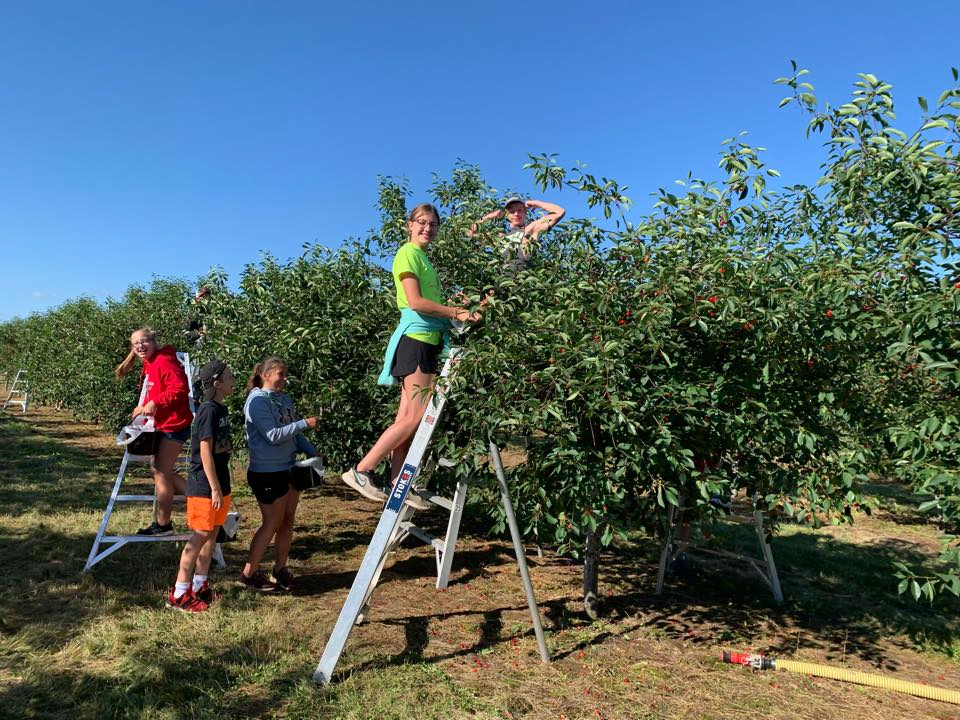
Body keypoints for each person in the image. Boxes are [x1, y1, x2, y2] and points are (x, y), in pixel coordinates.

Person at [341, 203, 480, 507]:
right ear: (409, 224)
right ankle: (361, 470)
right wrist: (458, 312)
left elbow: (429, 303)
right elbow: (416, 302)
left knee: (406, 417)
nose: (427, 228)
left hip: (427, 340)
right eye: (422, 222)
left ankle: (396, 482)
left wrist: (452, 305)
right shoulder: (408, 254)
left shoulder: (423, 259)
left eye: (432, 224)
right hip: (416, 341)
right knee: (415, 417)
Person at [239, 356, 321, 592]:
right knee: (272, 522)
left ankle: (280, 569)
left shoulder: (283, 398)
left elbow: (292, 432)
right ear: (266, 375)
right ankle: (249, 573)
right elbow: (273, 435)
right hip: (267, 471)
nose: (285, 378)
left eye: (285, 373)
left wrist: (309, 448)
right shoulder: (256, 402)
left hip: (289, 468)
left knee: (287, 520)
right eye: (280, 374)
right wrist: (305, 423)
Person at [165, 359, 235, 612]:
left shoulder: (221, 409)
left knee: (212, 534)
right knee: (200, 535)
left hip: (219, 482)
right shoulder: (208, 410)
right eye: (229, 376)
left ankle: (200, 585)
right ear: (217, 384)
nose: (233, 379)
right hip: (205, 484)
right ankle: (179, 593)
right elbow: (204, 450)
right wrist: (214, 487)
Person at [115, 328, 193, 535]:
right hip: (165, 423)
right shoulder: (152, 363)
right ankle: (199, 497)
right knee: (157, 469)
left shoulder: (164, 361)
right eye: (135, 343)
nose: (140, 346)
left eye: (144, 341)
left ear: (154, 341)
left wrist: (153, 403)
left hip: (174, 425)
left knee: (161, 472)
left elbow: (179, 388)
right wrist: (144, 408)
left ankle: (164, 524)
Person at [469, 196, 565, 274]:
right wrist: (490, 216)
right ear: (507, 215)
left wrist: (535, 203)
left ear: (525, 213)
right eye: (512, 211)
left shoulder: (531, 229)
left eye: (520, 210)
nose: (516, 214)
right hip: (500, 282)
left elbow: (560, 212)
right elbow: (471, 233)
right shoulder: (500, 237)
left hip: (522, 282)